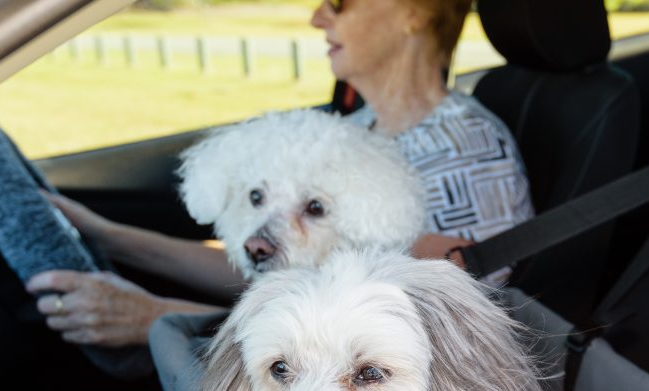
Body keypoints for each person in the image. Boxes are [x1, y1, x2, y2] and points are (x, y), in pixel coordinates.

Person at [27, 0, 533, 349]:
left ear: (413, 12)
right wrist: (108, 237)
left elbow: (405, 342)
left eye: (339, 2)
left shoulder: (460, 150)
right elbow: (274, 266)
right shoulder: (357, 129)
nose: (317, 18)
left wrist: (157, 320)